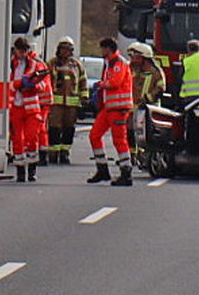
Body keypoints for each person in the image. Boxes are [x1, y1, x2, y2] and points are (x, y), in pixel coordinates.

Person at [87, 37, 134, 185]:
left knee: (119, 140)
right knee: (94, 135)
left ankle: (126, 172)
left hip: (119, 108)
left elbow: (115, 82)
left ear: (108, 48)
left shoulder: (119, 63)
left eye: (103, 48)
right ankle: (102, 170)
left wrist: (100, 84)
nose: (101, 51)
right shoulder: (109, 63)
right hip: (109, 108)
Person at [8, 37, 51, 182]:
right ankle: (20, 171)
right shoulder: (10, 64)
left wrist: (33, 86)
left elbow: (43, 85)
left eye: (25, 50)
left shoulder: (35, 65)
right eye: (20, 50)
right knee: (17, 140)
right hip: (15, 106)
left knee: (32, 137)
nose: (23, 53)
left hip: (31, 107)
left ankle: (32, 169)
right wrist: (20, 84)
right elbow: (9, 84)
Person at [45, 36, 87, 165]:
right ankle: (53, 153)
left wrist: (84, 98)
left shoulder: (76, 65)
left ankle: (65, 153)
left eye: (68, 49)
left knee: (69, 130)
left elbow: (82, 81)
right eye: (63, 49)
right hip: (55, 104)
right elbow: (46, 81)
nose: (65, 52)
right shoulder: (51, 63)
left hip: (72, 105)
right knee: (54, 129)